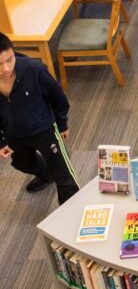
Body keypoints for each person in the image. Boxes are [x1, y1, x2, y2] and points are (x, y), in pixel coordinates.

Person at [0, 33, 79, 205]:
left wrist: (62, 124)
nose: (6, 68)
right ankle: (46, 174)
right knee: (22, 163)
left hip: (44, 129)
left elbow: (58, 98)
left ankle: (72, 213)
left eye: (10, 60)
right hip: (13, 134)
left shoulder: (34, 69)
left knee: (63, 176)